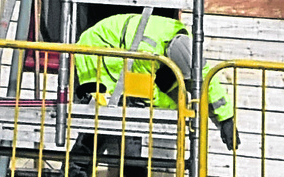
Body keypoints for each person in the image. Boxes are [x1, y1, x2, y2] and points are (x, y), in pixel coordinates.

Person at [69, 9, 237, 148]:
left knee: (125, 109)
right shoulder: (147, 51)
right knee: (115, 108)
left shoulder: (185, 41)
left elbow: (206, 78)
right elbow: (143, 90)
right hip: (96, 51)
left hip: (122, 50)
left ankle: (129, 176)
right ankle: (79, 170)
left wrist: (226, 119)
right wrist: (177, 107)